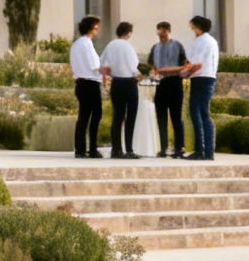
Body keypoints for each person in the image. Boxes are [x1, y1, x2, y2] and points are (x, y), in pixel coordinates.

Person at [150, 21, 190, 158]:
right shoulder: (155, 47)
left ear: (168, 31)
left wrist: (170, 70)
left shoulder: (178, 46)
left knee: (176, 117)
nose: (160, 35)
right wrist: (153, 73)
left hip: (175, 83)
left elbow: (186, 65)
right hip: (160, 84)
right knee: (161, 118)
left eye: (162, 32)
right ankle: (163, 148)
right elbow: (152, 67)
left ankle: (179, 148)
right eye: (158, 32)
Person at [102, 21, 141, 159]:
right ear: (129, 33)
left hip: (116, 82)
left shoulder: (110, 45)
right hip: (129, 83)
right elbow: (134, 68)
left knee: (117, 117)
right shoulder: (128, 47)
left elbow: (103, 64)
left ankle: (116, 149)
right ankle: (129, 149)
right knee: (130, 117)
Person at [184, 14, 219, 161]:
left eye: (193, 27)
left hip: (202, 79)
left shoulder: (204, 41)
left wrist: (182, 73)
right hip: (203, 78)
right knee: (200, 113)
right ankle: (205, 150)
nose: (192, 29)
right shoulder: (206, 40)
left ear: (198, 27)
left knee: (199, 113)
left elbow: (196, 63)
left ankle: (203, 150)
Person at [69, 16, 105, 159]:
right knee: (96, 115)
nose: (98, 30)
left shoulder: (76, 44)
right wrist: (107, 69)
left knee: (83, 117)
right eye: (96, 27)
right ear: (91, 27)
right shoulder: (87, 44)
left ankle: (80, 149)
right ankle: (92, 149)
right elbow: (94, 66)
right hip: (90, 83)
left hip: (80, 83)